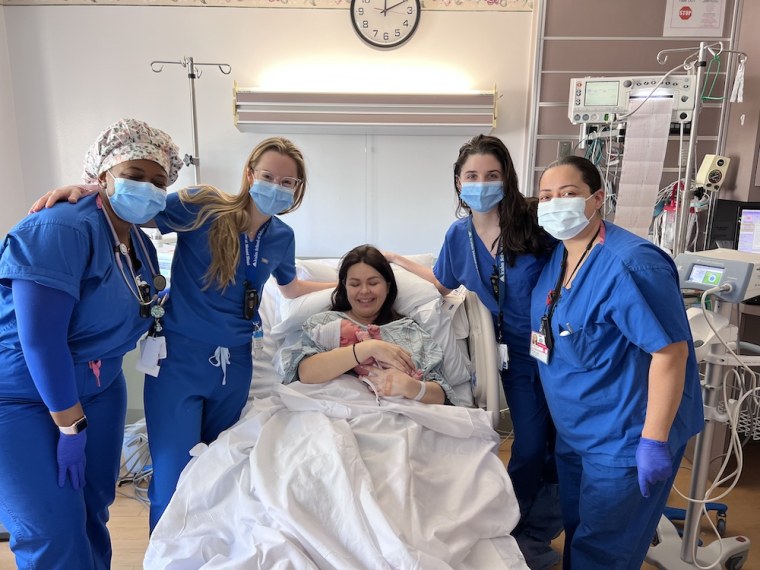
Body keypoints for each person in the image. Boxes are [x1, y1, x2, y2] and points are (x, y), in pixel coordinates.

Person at [34, 137, 335, 532]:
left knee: (219, 472)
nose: (276, 187)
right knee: (173, 478)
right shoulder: (202, 205)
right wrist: (88, 190)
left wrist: (345, 286)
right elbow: (132, 209)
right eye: (268, 177)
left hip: (236, 365)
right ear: (249, 174)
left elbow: (291, 288)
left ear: (298, 189)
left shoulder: (282, 238)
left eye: (287, 183)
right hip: (179, 362)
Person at [0, 118, 182, 568]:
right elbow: (41, 343)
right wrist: (71, 427)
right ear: (101, 176)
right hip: (21, 394)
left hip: (100, 387)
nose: (148, 187)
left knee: (91, 512)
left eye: (159, 180)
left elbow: (142, 303)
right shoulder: (60, 228)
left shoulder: (137, 239)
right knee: (51, 528)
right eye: (134, 176)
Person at [384, 134, 562, 568]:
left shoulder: (535, 222)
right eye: (472, 176)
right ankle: (514, 524)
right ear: (459, 183)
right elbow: (445, 283)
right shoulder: (458, 234)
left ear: (507, 178)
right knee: (531, 443)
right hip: (514, 355)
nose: (481, 184)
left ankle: (550, 523)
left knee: (567, 444)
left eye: (492, 175)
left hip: (559, 348)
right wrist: (403, 263)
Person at [529, 155, 703, 569]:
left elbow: (670, 352)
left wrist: (654, 440)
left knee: (603, 549)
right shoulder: (561, 255)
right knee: (580, 531)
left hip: (625, 438)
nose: (555, 204)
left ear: (597, 199)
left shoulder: (632, 263)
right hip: (578, 430)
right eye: (546, 196)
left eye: (568, 194)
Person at [283, 244, 459, 406]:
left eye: (373, 283)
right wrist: (368, 348)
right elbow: (305, 373)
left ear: (388, 286)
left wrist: (410, 387)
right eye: (355, 284)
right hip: (335, 412)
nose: (365, 291)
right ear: (345, 286)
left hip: (399, 420)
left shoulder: (410, 330)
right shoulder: (324, 323)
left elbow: (443, 395)